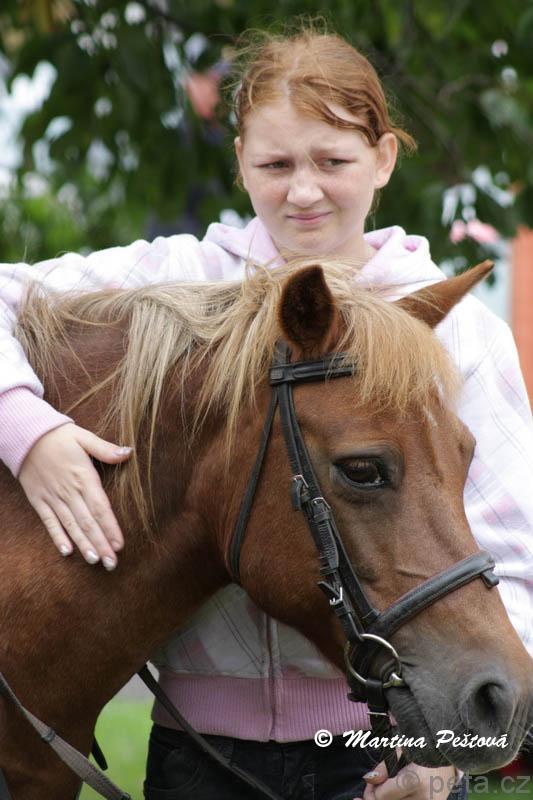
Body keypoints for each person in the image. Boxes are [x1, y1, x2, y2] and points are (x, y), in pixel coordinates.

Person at [0, 24, 532, 800]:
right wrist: (31, 432)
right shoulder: (181, 279)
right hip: (200, 750)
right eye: (275, 165)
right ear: (240, 161)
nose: (303, 191)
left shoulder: (457, 332)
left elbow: (511, 557)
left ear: (383, 159)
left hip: (378, 752)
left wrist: (440, 754)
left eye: (332, 161)